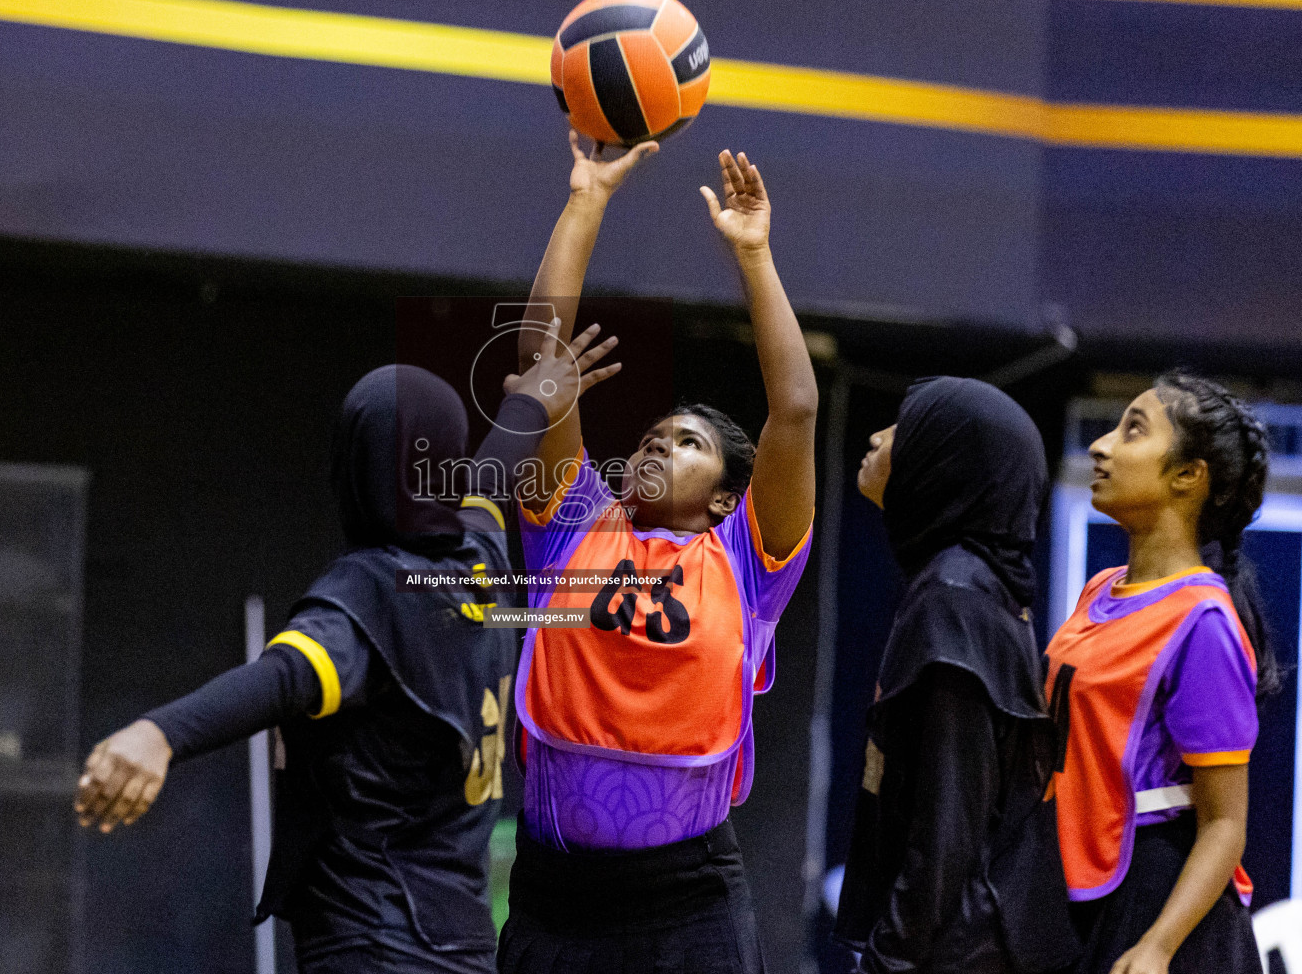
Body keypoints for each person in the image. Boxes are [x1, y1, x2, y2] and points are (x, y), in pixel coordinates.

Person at [73, 326, 620, 974]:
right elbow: (488, 475)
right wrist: (531, 402)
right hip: (463, 940)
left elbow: (280, 680)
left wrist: (159, 735)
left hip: (371, 937)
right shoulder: (480, 556)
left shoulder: (374, 594)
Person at [496, 133, 819, 974]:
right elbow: (539, 359)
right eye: (650, 435)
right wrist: (585, 201)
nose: (658, 445)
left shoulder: (748, 562)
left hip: (686, 909)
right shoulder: (572, 523)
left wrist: (754, 255)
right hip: (555, 901)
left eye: (685, 443)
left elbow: (795, 409)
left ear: (724, 497)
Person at [834, 376, 1078, 974]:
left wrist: (887, 960)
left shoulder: (955, 597)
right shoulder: (969, 589)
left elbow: (946, 829)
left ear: (943, 461)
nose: (877, 437)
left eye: (902, 428)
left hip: (958, 953)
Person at [1047, 372, 1276, 974]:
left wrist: (1157, 947)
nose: (1102, 446)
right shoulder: (1099, 589)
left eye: (1133, 430)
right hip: (1078, 891)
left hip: (1157, 905)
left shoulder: (1203, 621)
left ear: (1187, 476)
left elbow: (1225, 824)